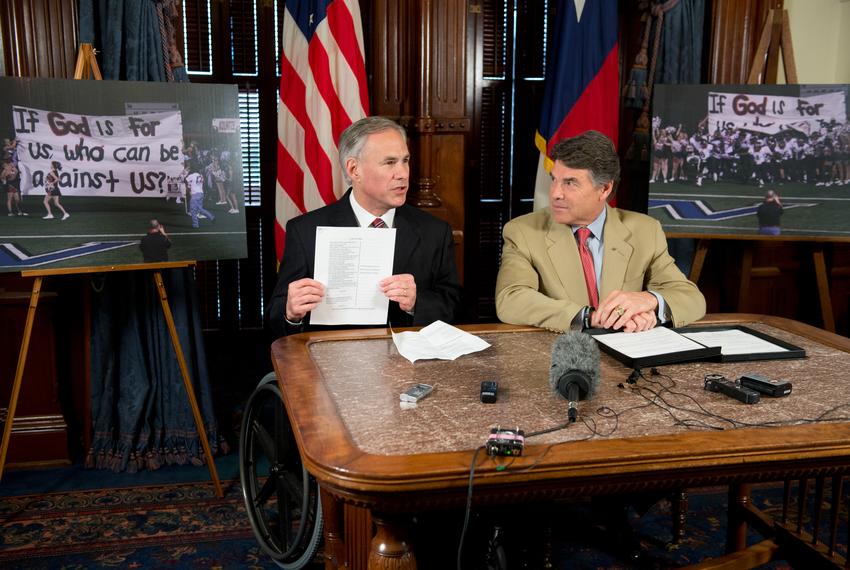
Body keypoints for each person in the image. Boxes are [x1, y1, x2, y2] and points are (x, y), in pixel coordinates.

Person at [266, 116, 462, 337]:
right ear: (353, 169)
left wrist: (417, 303)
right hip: (331, 362)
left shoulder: (434, 231)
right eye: (390, 163)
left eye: (405, 160)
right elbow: (276, 320)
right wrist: (291, 313)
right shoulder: (305, 231)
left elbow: (454, 308)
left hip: (406, 365)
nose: (403, 173)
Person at [496, 130, 705, 333]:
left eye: (570, 183)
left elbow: (691, 298)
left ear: (604, 189)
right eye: (554, 180)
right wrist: (589, 316)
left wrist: (649, 302)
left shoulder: (646, 230)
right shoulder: (522, 232)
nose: (555, 193)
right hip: (561, 355)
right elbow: (511, 299)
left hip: (628, 352)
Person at [185, 160, 215, 228]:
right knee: (200, 209)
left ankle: (196, 225)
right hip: (201, 193)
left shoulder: (191, 175)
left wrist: (187, 171)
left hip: (195, 194)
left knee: (193, 210)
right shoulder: (200, 175)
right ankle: (211, 217)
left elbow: (185, 180)